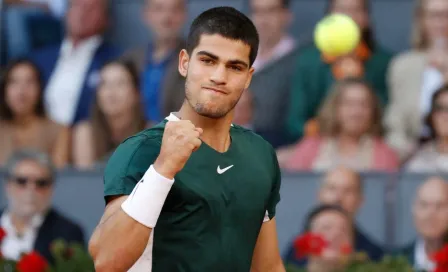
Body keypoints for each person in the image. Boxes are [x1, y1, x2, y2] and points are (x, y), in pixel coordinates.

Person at [88, 7, 285, 272]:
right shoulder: (143, 149)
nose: (219, 76)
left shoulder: (260, 154)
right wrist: (163, 168)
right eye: (207, 60)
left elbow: (268, 266)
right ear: (184, 63)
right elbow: (106, 260)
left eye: (235, 67)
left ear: (248, 77)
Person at [1, 149, 84, 262]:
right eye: (22, 181)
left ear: (51, 189)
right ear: (8, 185)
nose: (31, 189)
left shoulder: (67, 233)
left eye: (41, 183)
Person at [72, 60, 148, 169]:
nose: (110, 92)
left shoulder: (151, 133)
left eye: (120, 84)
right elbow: (85, 182)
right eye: (104, 84)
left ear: (136, 93)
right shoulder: (85, 132)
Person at [0, 59, 69, 168]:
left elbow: (59, 178)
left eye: (29, 82)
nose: (21, 91)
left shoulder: (57, 131)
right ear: (4, 89)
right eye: (14, 82)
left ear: (40, 89)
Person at [400, 177, 448, 271]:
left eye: (440, 205)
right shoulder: (397, 260)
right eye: (424, 205)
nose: (431, 214)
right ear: (413, 210)